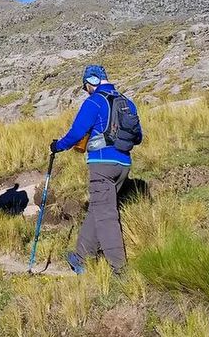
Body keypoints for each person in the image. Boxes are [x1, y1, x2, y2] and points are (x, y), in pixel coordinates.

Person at [50, 65, 142, 275]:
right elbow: (139, 137)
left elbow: (77, 132)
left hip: (102, 165)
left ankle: (119, 270)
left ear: (91, 81)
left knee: (107, 215)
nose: (86, 91)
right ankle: (80, 257)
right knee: (98, 209)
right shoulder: (127, 102)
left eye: (85, 86)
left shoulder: (94, 101)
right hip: (124, 164)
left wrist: (58, 146)